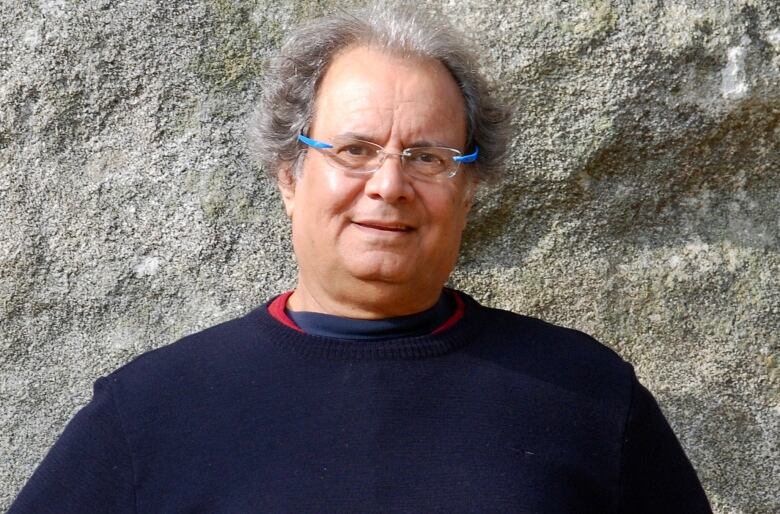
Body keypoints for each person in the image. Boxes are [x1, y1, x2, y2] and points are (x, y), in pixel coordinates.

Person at [10, 5, 712, 513]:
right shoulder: (151, 413)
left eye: (427, 156)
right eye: (355, 150)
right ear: (289, 174)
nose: (389, 185)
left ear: (468, 187)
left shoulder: (585, 396)